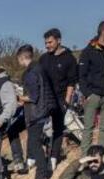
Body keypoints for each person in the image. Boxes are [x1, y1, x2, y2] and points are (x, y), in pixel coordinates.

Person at [77, 19, 104, 155]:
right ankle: (85, 157)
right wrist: (87, 93)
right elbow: (81, 75)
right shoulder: (88, 51)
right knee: (88, 127)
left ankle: (101, 157)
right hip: (94, 95)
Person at [17, 44, 55, 179]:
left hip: (36, 114)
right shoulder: (39, 68)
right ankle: (42, 171)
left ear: (22, 58)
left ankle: (41, 175)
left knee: (34, 144)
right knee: (35, 142)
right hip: (41, 111)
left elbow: (33, 96)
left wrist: (19, 98)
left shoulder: (31, 73)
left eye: (19, 60)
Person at [39, 28, 78, 164]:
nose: (47, 45)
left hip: (60, 98)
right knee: (38, 127)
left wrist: (66, 101)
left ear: (59, 40)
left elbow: (71, 82)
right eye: (45, 43)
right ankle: (40, 156)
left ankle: (54, 157)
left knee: (58, 128)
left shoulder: (69, 58)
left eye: (50, 42)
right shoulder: (43, 59)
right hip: (44, 99)